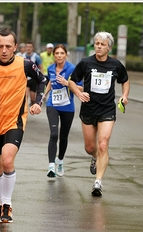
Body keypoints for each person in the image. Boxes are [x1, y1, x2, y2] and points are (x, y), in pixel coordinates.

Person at [0, 28, 47, 223]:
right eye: (0, 46)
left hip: (15, 119)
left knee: (7, 160)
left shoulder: (25, 64)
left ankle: (7, 205)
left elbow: (42, 80)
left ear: (15, 48)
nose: (4, 50)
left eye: (8, 46)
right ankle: (1, 202)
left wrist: (38, 102)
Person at [68, 31, 130, 197]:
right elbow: (71, 81)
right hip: (89, 109)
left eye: (102, 44)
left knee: (103, 144)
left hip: (107, 109)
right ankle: (94, 156)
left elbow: (125, 80)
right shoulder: (85, 63)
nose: (98, 47)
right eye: (96, 44)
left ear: (109, 47)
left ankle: (98, 182)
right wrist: (78, 94)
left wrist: (124, 95)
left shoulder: (116, 65)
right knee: (90, 147)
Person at [43, 44, 83, 178]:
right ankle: (50, 166)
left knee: (63, 136)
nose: (59, 56)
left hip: (67, 107)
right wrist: (44, 95)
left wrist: (67, 83)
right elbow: (50, 82)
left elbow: (81, 88)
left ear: (66, 55)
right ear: (54, 55)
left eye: (62, 53)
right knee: (54, 134)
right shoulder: (50, 69)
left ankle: (59, 160)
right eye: (57, 53)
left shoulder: (72, 69)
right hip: (52, 104)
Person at [23, 41, 43, 106]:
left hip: (33, 79)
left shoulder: (36, 57)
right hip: (25, 79)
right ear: (25, 48)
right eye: (27, 47)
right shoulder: (22, 56)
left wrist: (40, 78)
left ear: (33, 48)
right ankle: (24, 111)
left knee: (32, 98)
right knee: (25, 96)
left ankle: (32, 104)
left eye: (30, 47)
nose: (28, 48)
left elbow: (40, 67)